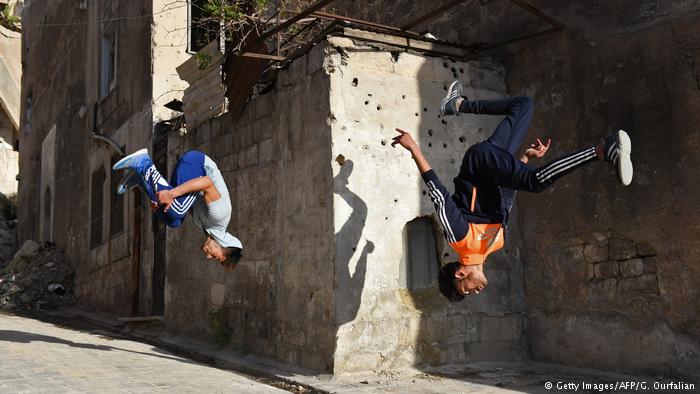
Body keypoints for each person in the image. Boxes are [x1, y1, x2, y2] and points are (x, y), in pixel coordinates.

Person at [392, 81, 632, 302]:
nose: (475, 292)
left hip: (478, 164)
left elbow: (438, 195)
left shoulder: (460, 239)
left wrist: (414, 148)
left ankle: (602, 150)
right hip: (494, 165)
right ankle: (457, 104)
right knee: (523, 105)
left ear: (460, 273)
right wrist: (524, 158)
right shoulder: (495, 243)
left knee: (536, 182)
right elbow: (506, 196)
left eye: (466, 289)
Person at [112, 149, 242, 270]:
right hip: (197, 164)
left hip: (190, 174)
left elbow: (187, 204)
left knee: (175, 221)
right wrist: (172, 194)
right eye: (215, 256)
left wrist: (160, 208)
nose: (209, 257)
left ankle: (142, 180)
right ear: (222, 244)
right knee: (177, 211)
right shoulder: (220, 215)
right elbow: (207, 182)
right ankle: (144, 162)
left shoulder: (205, 226)